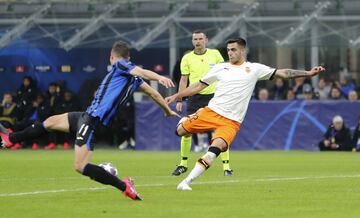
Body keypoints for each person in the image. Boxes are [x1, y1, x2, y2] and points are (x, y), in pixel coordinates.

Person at [0, 41, 179, 200]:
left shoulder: (120, 66)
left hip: (92, 121)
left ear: (112, 56)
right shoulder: (134, 79)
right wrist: (167, 111)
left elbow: (140, 71)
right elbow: (154, 94)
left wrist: (160, 77)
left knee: (79, 166)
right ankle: (11, 139)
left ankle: (124, 185)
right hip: (85, 117)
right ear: (128, 57)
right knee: (51, 121)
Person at [165, 37, 325, 190]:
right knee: (180, 131)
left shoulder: (255, 69)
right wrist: (177, 96)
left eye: (233, 49)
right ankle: (188, 119)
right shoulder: (221, 67)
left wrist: (308, 73)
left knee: (216, 148)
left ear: (242, 51)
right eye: (228, 50)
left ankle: (186, 181)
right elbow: (198, 86)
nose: (230, 53)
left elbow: (283, 73)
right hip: (211, 112)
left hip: (231, 122)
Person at [172, 30, 234, 177]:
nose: (198, 41)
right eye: (195, 39)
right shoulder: (187, 58)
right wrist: (180, 99)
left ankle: (227, 167)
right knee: (186, 130)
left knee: (219, 131)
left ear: (206, 40)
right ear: (192, 41)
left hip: (214, 97)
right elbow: (183, 80)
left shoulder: (215, 54)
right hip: (194, 98)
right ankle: (183, 164)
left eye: (200, 38)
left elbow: (225, 74)